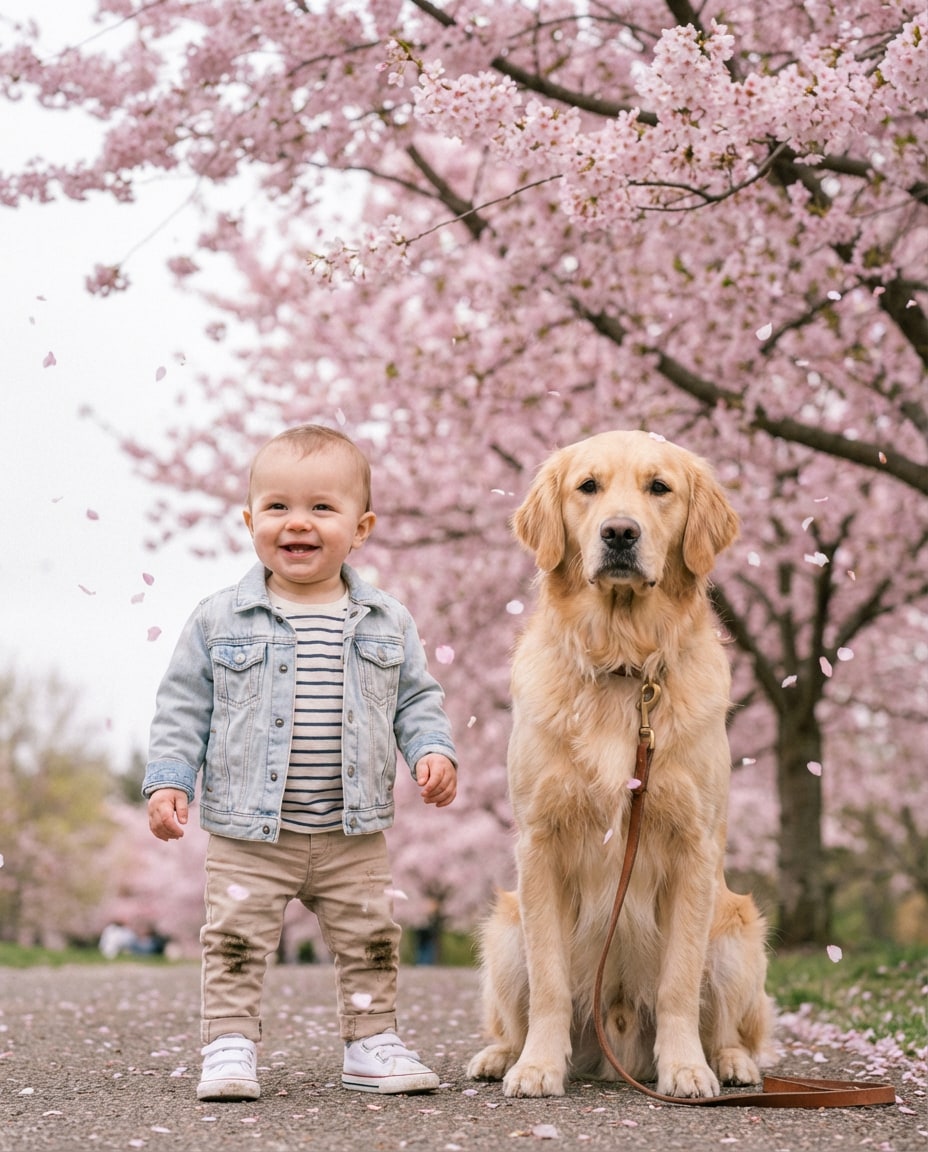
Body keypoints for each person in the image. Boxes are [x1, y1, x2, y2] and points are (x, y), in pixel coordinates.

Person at [143, 424, 458, 1103]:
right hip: (247, 834)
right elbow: (182, 706)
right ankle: (229, 1043)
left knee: (372, 936)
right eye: (279, 507)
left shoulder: (385, 620)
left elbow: (416, 698)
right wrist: (170, 781)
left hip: (352, 830)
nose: (299, 523)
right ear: (251, 519)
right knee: (234, 938)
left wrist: (432, 749)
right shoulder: (219, 618)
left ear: (362, 526)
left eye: (322, 507)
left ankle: (371, 1040)